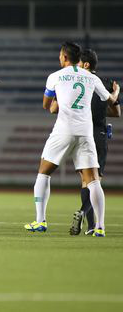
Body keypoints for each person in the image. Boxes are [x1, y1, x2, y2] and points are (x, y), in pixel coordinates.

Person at [26, 42, 119, 237]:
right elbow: (110, 101)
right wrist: (116, 92)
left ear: (65, 57)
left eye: (60, 55)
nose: (59, 58)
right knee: (93, 180)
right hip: (85, 132)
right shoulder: (91, 77)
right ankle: (100, 227)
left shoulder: (55, 76)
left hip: (64, 129)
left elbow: (47, 105)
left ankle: (40, 221)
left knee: (44, 172)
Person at [68, 49, 120, 235]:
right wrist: (117, 92)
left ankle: (90, 227)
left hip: (79, 133)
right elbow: (117, 113)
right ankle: (87, 216)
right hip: (98, 134)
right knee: (96, 181)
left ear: (86, 64)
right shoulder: (106, 84)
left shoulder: (74, 82)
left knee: (86, 181)